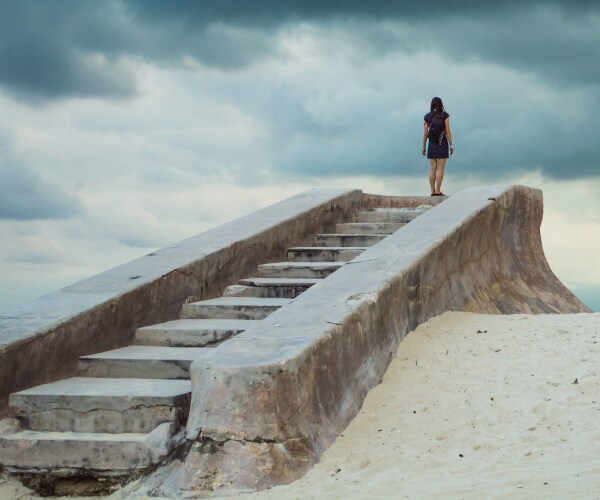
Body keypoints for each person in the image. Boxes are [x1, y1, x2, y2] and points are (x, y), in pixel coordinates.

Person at [422, 97, 454, 196]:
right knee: (440, 168)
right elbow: (448, 130)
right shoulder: (445, 115)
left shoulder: (427, 116)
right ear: (441, 104)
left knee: (432, 168)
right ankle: (438, 190)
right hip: (442, 143)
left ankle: (432, 191)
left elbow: (425, 133)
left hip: (431, 143)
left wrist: (423, 147)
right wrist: (451, 145)